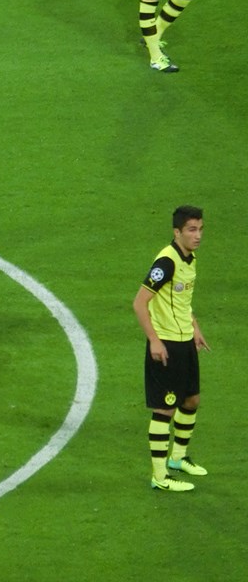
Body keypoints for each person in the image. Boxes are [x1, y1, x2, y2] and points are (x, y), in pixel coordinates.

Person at [133, 205, 211, 492]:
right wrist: (154, 340)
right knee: (164, 409)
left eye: (200, 229)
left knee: (191, 400)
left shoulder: (189, 258)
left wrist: (195, 328)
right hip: (166, 345)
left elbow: (182, 301)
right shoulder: (166, 262)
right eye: (191, 230)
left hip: (184, 342)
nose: (198, 235)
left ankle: (177, 458)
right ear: (177, 232)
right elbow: (139, 303)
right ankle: (160, 476)